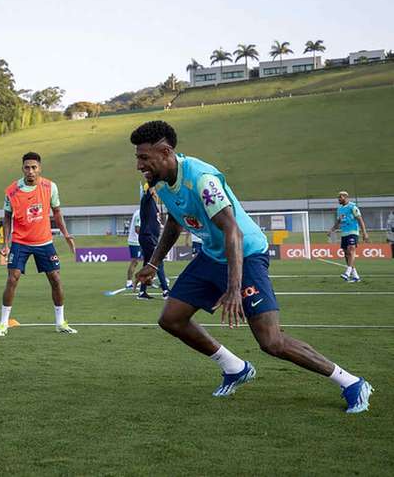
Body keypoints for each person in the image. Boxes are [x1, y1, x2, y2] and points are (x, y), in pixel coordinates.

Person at [132, 120, 373, 413]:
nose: (139, 165)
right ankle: (235, 367)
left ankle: (351, 382)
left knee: (271, 341)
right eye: (137, 158)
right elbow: (174, 221)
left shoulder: (201, 179)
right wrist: (153, 263)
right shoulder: (161, 184)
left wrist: (233, 288)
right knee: (171, 319)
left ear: (165, 151)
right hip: (213, 255)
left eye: (144, 158)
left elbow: (232, 230)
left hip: (245, 253)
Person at [0, 152, 77, 336]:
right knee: (12, 278)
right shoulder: (11, 191)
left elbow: (57, 212)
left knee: (55, 279)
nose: (30, 171)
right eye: (27, 167)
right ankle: (3, 324)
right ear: (22, 168)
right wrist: (6, 243)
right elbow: (7, 217)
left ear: (40, 168)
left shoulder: (50, 187)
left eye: (34, 167)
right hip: (19, 241)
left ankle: (60, 322)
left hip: (44, 241)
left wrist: (65, 234)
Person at [137, 186, 170, 300]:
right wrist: (151, 186)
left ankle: (142, 292)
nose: (155, 192)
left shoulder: (153, 205)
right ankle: (165, 290)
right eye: (153, 190)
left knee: (148, 264)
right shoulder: (146, 200)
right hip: (148, 237)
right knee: (157, 261)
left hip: (150, 237)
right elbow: (148, 191)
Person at [328, 191, 369, 282]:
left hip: (353, 231)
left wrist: (364, 233)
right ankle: (356, 276)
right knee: (346, 254)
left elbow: (360, 220)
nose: (338, 199)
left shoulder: (353, 207)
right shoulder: (339, 209)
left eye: (340, 197)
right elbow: (339, 221)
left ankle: (347, 272)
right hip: (344, 233)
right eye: (338, 197)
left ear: (346, 197)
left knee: (351, 250)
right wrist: (332, 230)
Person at [125, 207, 141, 291]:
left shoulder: (139, 212)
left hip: (138, 241)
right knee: (134, 261)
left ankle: (148, 280)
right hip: (135, 241)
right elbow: (137, 229)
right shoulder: (139, 213)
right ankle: (129, 282)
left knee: (147, 260)